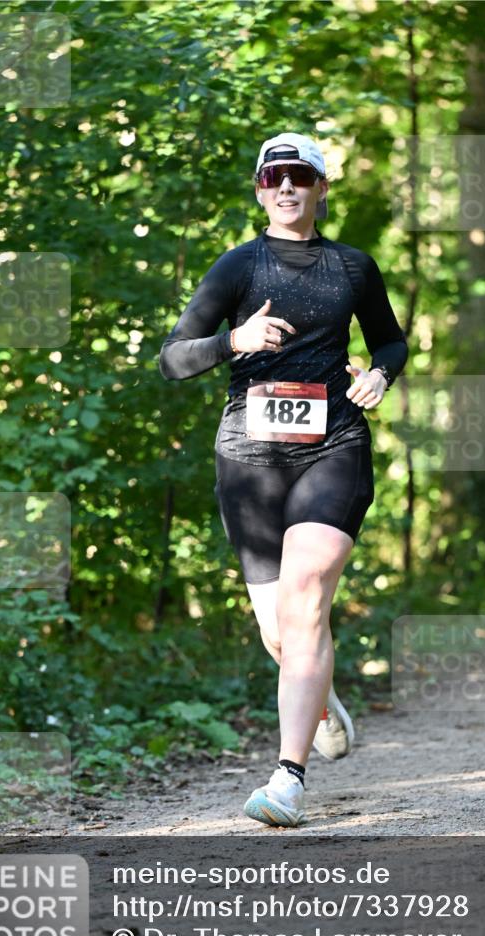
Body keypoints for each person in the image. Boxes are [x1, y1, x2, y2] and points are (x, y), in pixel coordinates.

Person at [159, 132, 408, 827]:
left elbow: (389, 338)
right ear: (259, 188)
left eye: (301, 175)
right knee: (282, 635)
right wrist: (230, 342)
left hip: (332, 445)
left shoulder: (352, 267)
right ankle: (319, 698)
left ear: (322, 186)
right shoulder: (236, 267)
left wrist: (381, 374)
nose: (287, 187)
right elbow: (172, 359)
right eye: (274, 177)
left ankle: (286, 780)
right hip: (248, 459)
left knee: (304, 600)